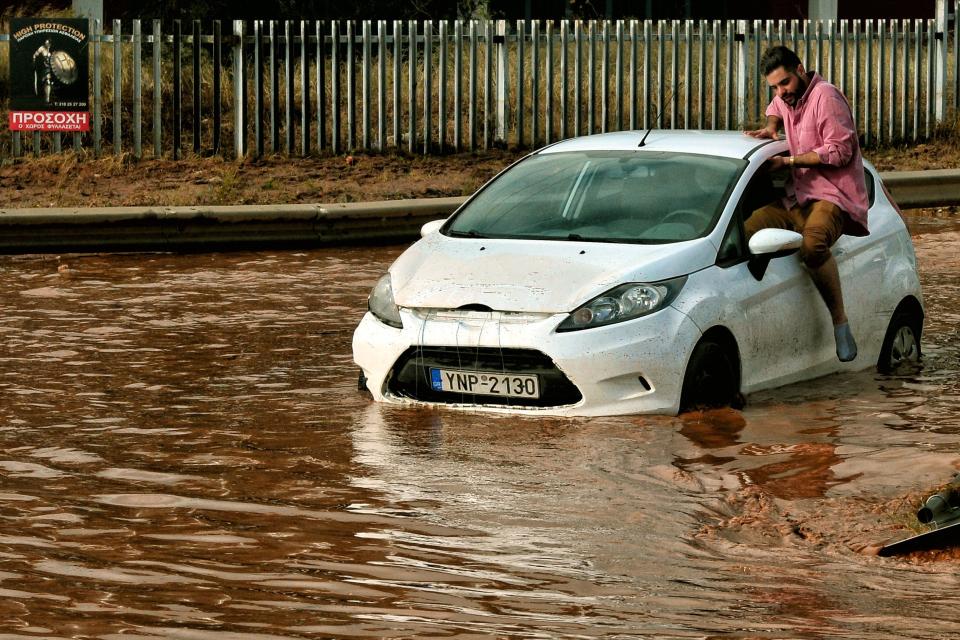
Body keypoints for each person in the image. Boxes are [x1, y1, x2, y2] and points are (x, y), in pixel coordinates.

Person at [745, 45, 869, 363]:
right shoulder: (786, 97)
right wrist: (772, 127)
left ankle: (840, 323)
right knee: (743, 232)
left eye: (784, 82)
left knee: (813, 245)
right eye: (774, 85)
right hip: (796, 197)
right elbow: (775, 106)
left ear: (800, 70)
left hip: (832, 195)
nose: (780, 91)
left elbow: (840, 151)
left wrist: (789, 161)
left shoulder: (826, 96)